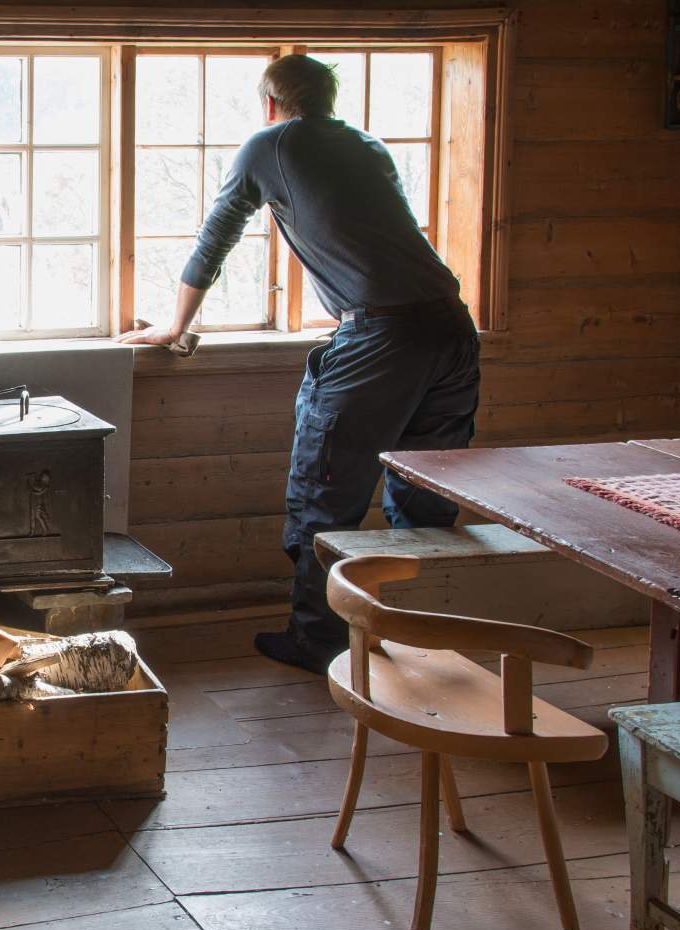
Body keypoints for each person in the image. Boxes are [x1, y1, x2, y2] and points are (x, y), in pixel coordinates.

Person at [118, 54, 480, 675]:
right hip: (450, 324)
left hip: (381, 336)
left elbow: (218, 233)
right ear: (329, 100)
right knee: (426, 492)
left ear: (270, 104)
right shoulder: (368, 147)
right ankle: (419, 634)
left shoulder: (270, 144)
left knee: (324, 492)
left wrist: (175, 325)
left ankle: (319, 639)